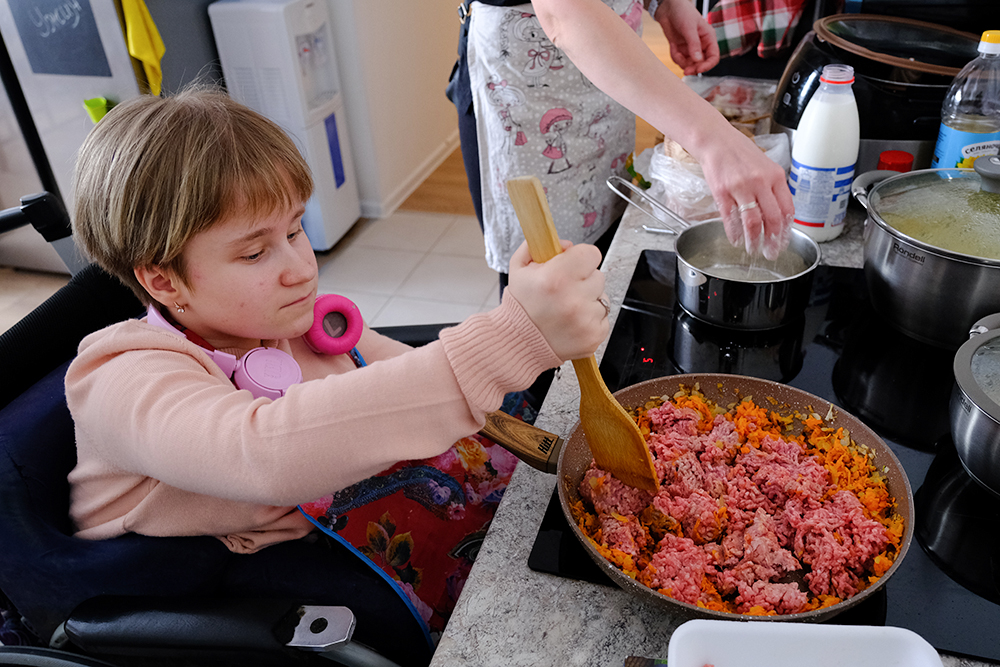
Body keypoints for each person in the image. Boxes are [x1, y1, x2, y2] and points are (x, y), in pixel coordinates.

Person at [64, 87, 608, 665]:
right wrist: (505, 341)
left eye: (295, 230)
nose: (301, 268)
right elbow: (261, 452)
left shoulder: (288, 323)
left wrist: (533, 331)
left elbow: (402, 373)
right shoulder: (117, 376)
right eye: (255, 254)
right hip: (220, 606)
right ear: (162, 281)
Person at [448, 0, 795, 291]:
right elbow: (565, 14)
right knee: (548, 289)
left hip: (604, 87)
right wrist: (714, 139)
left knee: (604, 260)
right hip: (529, 92)